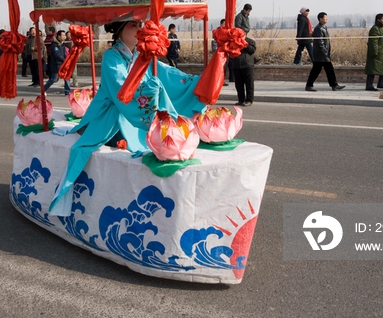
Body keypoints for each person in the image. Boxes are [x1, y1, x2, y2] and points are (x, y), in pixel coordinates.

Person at [48, 20, 206, 215]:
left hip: (134, 113)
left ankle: (158, 133)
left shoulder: (143, 55)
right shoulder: (111, 56)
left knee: (161, 89)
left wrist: (199, 81)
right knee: (129, 118)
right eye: (133, 25)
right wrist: (148, 91)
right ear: (119, 29)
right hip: (109, 114)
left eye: (141, 24)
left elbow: (168, 75)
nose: (139, 29)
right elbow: (121, 91)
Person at [305, 12, 345, 92]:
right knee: (323, 69)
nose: (326, 19)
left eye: (327, 18)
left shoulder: (324, 27)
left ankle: (333, 85)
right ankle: (333, 85)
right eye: (324, 18)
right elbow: (320, 42)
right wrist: (325, 52)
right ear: (320, 19)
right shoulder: (318, 29)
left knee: (322, 70)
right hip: (321, 54)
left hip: (322, 54)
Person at [365, 13, 383, 91]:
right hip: (376, 54)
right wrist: (374, 52)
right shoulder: (375, 29)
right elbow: (373, 42)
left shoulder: (381, 28)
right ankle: (369, 85)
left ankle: (381, 83)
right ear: (378, 20)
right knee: (372, 70)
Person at [44, 30, 71, 95]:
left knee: (66, 77)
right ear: (59, 36)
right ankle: (44, 89)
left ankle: (67, 91)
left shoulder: (62, 44)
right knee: (54, 79)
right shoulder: (54, 44)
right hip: (56, 64)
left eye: (65, 35)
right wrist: (64, 60)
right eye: (63, 35)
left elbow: (64, 53)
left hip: (63, 64)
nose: (64, 37)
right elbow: (57, 54)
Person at [231, 37, 256, 106]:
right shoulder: (234, 41)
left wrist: (245, 44)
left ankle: (249, 100)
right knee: (239, 84)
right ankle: (241, 99)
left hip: (248, 65)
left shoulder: (250, 41)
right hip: (236, 65)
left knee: (249, 83)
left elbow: (252, 50)